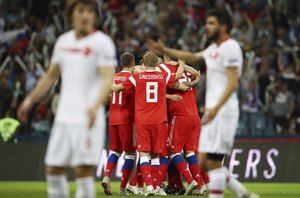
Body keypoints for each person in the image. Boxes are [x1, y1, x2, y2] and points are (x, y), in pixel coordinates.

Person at [148, 9, 259, 198]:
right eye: (206, 22)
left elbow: (233, 82)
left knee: (211, 161)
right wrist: (166, 50)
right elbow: (193, 57)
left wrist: (216, 107)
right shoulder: (213, 49)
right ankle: (243, 193)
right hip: (210, 112)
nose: (206, 26)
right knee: (204, 161)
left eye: (212, 23)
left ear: (224, 26)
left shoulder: (231, 47)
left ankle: (237, 193)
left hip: (223, 111)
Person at [17, 0, 117, 197]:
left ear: (96, 17)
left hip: (88, 119)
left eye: (90, 11)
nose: (85, 15)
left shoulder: (102, 43)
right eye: (80, 10)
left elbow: (108, 78)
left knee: (82, 172)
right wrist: (30, 99)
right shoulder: (63, 42)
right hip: (64, 117)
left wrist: (95, 104)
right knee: (53, 170)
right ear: (71, 15)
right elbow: (50, 76)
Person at [111, 51, 197, 196]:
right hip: (160, 121)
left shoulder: (136, 77)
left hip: (143, 121)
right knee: (156, 155)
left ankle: (149, 186)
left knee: (144, 154)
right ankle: (156, 186)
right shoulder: (162, 75)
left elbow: (116, 89)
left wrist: (109, 80)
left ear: (143, 63)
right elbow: (177, 76)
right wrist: (182, 64)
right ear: (157, 64)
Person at [101, 52, 136, 195]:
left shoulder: (113, 77)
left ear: (121, 64)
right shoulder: (132, 78)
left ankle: (106, 176)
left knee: (115, 150)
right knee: (130, 153)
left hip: (112, 119)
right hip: (126, 119)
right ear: (133, 64)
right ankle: (122, 188)